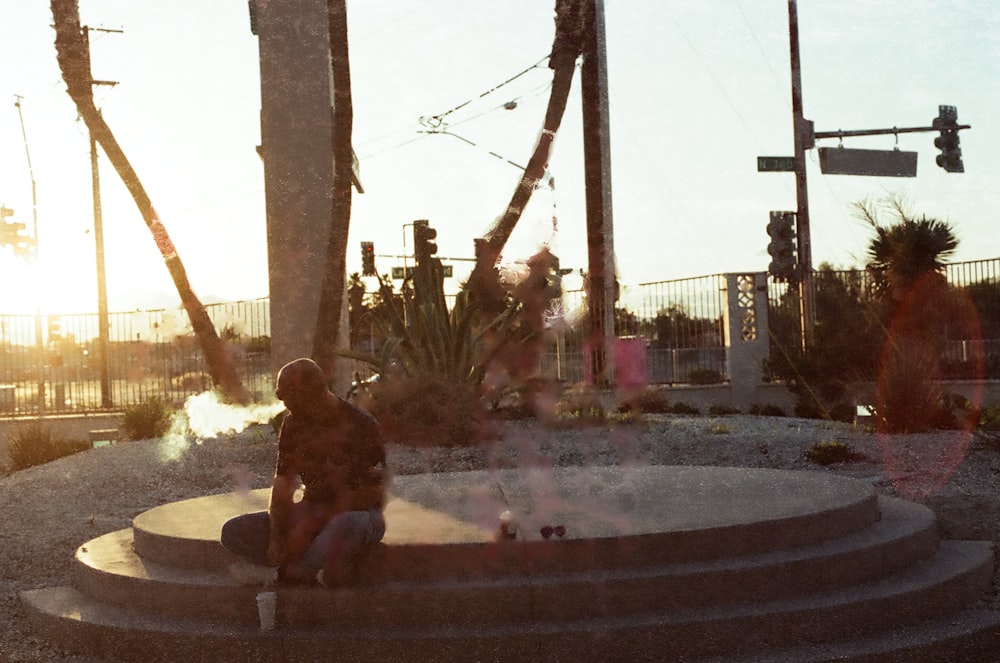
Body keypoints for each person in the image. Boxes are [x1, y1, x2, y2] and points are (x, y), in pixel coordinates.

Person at [221, 358, 387, 587]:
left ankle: (289, 576)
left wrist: (318, 520)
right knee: (235, 531)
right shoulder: (293, 426)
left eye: (284, 395)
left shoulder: (361, 425)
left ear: (307, 393)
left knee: (346, 525)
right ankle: (315, 565)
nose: (282, 402)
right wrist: (277, 537)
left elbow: (374, 493)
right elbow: (282, 485)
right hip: (310, 512)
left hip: (357, 514)